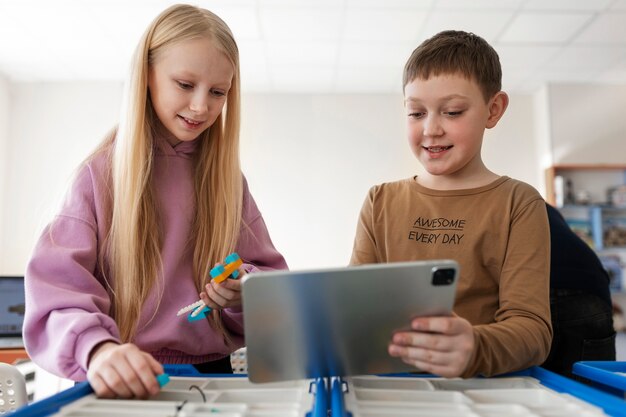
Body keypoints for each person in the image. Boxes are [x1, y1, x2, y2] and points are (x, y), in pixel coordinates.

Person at [23, 4, 287, 399]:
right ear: (146, 76)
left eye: (218, 92)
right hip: (120, 377)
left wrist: (244, 289)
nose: (201, 106)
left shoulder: (228, 183)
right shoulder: (97, 177)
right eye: (184, 84)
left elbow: (278, 291)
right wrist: (97, 350)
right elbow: (56, 295)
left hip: (212, 379)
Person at [350, 30, 552, 378]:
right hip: (388, 386)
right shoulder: (379, 201)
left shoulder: (519, 203)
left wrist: (474, 346)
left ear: (493, 109)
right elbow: (351, 308)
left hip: (479, 390)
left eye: (453, 112)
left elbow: (533, 331)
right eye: (415, 113)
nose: (431, 129)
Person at [542, 203, 615, 380]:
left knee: (529, 392)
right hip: (589, 288)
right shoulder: (539, 204)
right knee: (594, 396)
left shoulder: (481, 206)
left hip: (535, 287)